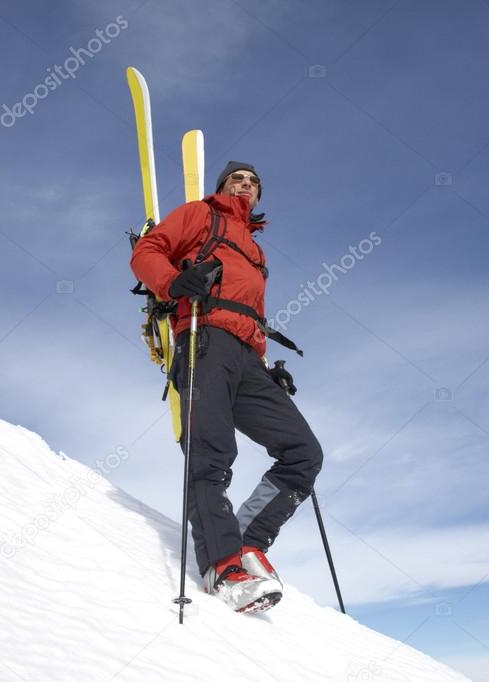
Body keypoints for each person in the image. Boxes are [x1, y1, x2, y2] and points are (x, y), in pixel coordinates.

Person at [130, 161, 323, 613]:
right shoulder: (202, 214)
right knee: (211, 453)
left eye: (255, 181)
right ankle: (222, 566)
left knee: (303, 453)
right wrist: (174, 280)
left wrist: (262, 362)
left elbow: (250, 313)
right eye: (239, 178)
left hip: (247, 357)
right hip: (204, 338)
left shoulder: (256, 251)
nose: (247, 184)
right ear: (223, 186)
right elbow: (147, 251)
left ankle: (249, 543)